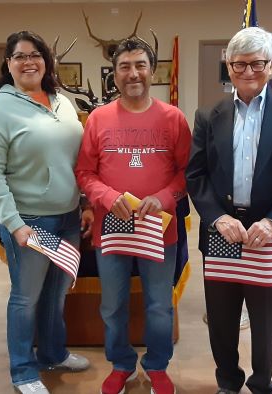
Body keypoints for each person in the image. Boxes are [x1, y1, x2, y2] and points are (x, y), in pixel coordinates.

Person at [186, 27, 272, 394]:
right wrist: (217, 217)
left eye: (256, 63)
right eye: (239, 64)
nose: (247, 71)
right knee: (223, 318)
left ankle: (262, 383)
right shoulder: (208, 115)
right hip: (223, 231)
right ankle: (228, 381)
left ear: (271, 65)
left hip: (271, 234)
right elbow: (196, 175)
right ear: (228, 67)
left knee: (264, 318)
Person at [0, 31, 90, 394]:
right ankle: (23, 371)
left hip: (68, 215)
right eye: (19, 56)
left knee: (56, 294)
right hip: (29, 221)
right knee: (26, 298)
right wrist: (14, 224)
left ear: (46, 61)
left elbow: (76, 159)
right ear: (8, 64)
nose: (28, 62)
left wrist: (84, 203)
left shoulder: (62, 101)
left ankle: (53, 353)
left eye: (35, 54)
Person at [75, 37, 191, 394]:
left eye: (140, 65)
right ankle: (122, 364)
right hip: (111, 228)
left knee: (158, 305)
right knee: (112, 305)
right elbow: (84, 172)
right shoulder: (98, 118)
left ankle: (157, 366)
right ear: (114, 74)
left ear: (152, 71)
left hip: (159, 228)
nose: (133, 73)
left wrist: (164, 195)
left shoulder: (173, 118)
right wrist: (107, 197)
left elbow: (188, 172)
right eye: (124, 66)